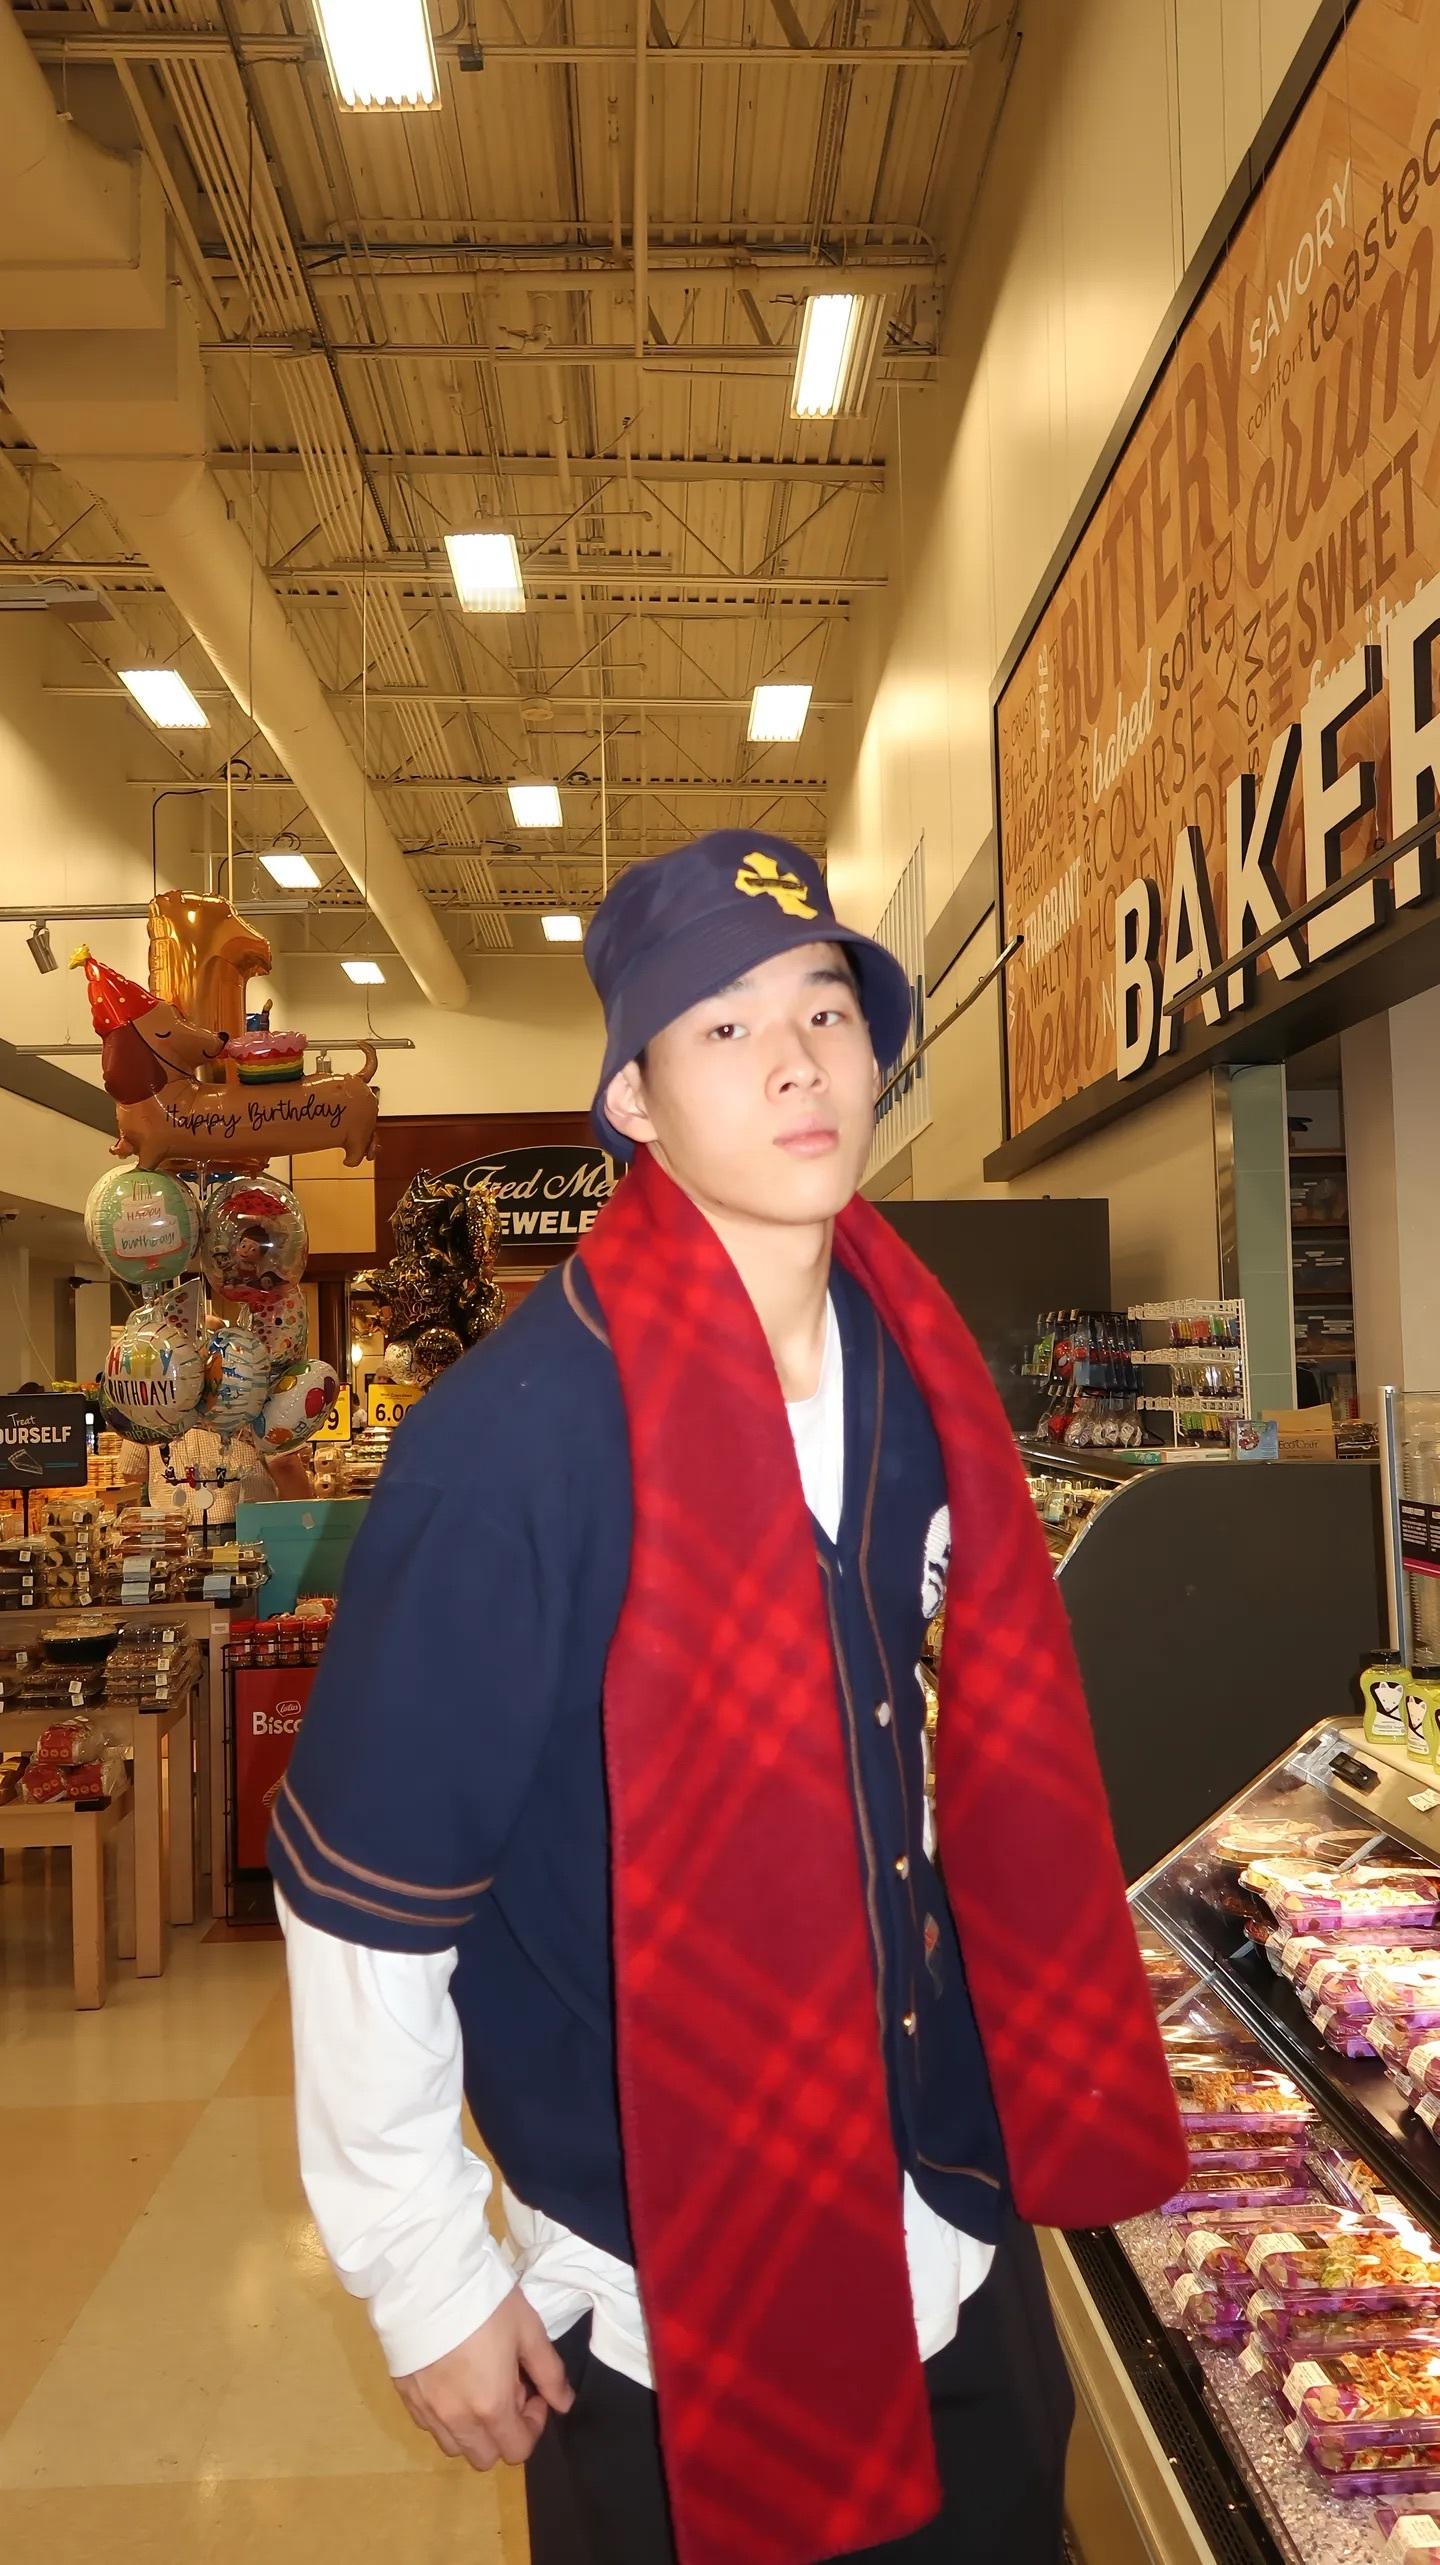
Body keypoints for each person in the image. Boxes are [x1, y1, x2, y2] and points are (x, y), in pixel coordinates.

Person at [271, 828, 1186, 2565]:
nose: (794, 1060)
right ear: (634, 1098)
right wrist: (423, 2268)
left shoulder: (920, 1377)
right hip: (671, 2273)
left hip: (947, 2213)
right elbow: (370, 1891)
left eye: (826, 1009)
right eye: (722, 1023)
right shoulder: (517, 1439)